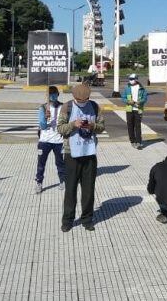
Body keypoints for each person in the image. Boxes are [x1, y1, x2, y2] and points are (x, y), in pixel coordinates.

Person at [57, 84, 105, 232]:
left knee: (88, 190)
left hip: (89, 153)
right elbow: (60, 129)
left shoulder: (95, 107)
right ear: (74, 97)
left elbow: (102, 127)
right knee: (70, 189)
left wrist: (92, 126)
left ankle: (87, 219)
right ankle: (68, 220)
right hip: (71, 154)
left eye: (86, 100)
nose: (83, 102)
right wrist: (73, 124)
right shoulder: (67, 107)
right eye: (79, 100)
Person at [35, 86, 66, 194]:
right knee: (41, 163)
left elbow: (67, 122)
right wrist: (45, 117)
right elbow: (43, 126)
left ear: (58, 94)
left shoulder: (63, 107)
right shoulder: (43, 108)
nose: (53, 96)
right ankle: (39, 182)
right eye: (50, 94)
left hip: (59, 141)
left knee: (60, 163)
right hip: (45, 141)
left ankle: (62, 180)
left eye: (55, 93)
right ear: (47, 96)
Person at [122, 73, 148, 149]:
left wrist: (140, 102)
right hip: (129, 109)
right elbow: (123, 98)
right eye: (130, 79)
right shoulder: (127, 88)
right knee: (130, 126)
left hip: (138, 109)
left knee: (138, 126)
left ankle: (139, 142)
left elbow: (145, 98)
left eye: (132, 79)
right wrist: (128, 101)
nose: (131, 81)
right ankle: (132, 141)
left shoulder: (142, 88)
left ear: (136, 79)